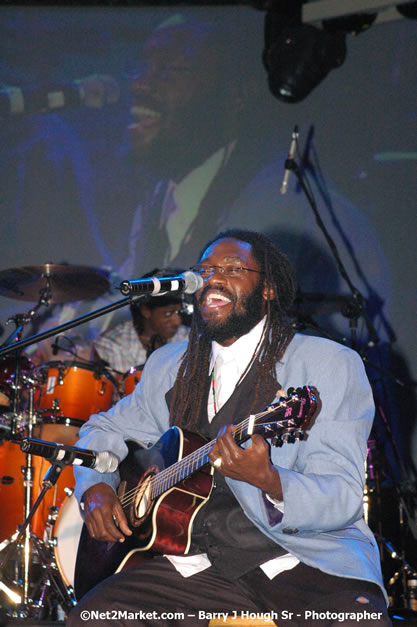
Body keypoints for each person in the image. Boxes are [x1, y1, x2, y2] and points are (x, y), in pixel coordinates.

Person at [68, 229, 390, 626]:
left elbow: (341, 496)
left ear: (268, 289)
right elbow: (102, 430)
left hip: (301, 562)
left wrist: (272, 481)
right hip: (196, 568)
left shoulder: (328, 363)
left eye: (233, 269)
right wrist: (95, 489)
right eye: (205, 270)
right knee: (94, 618)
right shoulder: (172, 364)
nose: (213, 279)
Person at [93, 268, 190, 377]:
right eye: (168, 313)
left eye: (179, 312)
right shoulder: (112, 344)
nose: (178, 320)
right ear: (146, 311)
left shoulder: (187, 337)